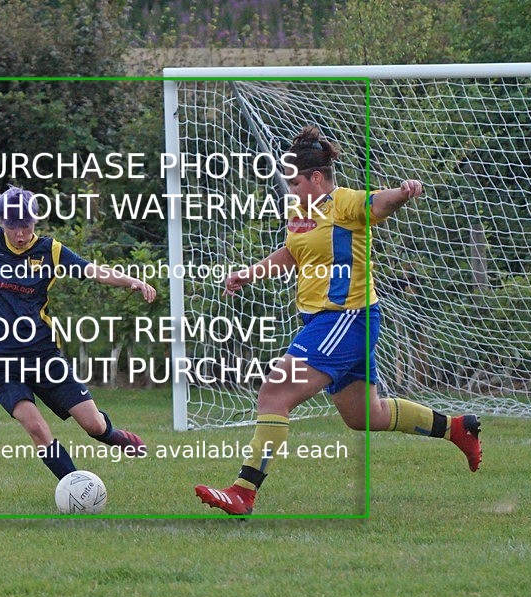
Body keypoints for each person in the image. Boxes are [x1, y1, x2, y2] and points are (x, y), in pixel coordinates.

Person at [195, 125, 482, 515]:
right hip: (327, 324)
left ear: (316, 178)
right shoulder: (301, 210)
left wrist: (402, 192)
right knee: (367, 415)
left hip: (346, 320)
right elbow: (293, 254)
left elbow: (379, 203)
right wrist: (249, 273)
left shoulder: (344, 203)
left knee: (274, 393)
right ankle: (456, 428)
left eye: (295, 182)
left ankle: (244, 491)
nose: (291, 190)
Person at [0, 186, 155, 481]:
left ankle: (114, 435)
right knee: (37, 428)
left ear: (36, 221)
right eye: (12, 225)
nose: (20, 233)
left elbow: (92, 270)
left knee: (93, 425)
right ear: (1, 221)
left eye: (26, 225)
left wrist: (131, 281)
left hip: (42, 353)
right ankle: (76, 485)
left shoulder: (50, 250)